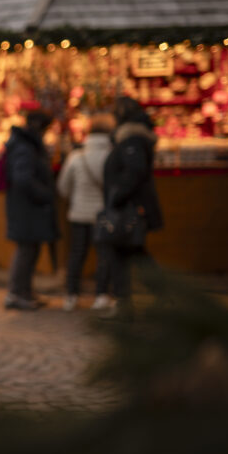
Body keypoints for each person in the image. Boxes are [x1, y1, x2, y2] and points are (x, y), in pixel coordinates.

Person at [102, 96, 163, 316]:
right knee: (132, 254)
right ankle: (157, 297)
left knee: (124, 253)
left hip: (129, 209)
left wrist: (117, 196)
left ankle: (126, 303)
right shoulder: (132, 138)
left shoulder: (132, 140)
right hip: (129, 207)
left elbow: (134, 172)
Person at [56, 112, 116, 312]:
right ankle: (101, 295)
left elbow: (63, 187)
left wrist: (76, 197)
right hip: (104, 214)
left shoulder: (76, 156)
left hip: (78, 213)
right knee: (104, 256)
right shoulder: (112, 156)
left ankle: (71, 295)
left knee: (76, 254)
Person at [3, 108, 59, 310]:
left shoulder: (25, 144)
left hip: (27, 206)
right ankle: (16, 293)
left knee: (31, 249)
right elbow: (22, 178)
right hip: (26, 207)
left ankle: (24, 291)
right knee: (26, 249)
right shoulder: (25, 147)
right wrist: (44, 193)